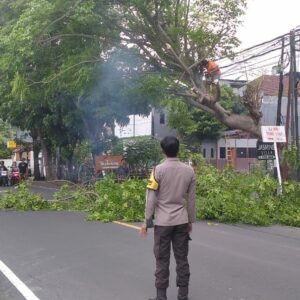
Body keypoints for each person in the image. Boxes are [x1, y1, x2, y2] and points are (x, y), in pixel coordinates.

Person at [140, 136, 196, 300]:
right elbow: (191, 199)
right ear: (178, 149)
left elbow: (151, 198)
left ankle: (161, 297)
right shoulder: (189, 171)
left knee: (162, 259)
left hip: (163, 223)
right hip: (181, 221)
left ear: (162, 151)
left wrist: (146, 221)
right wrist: (190, 221)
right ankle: (183, 296)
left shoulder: (157, 170)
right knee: (182, 259)